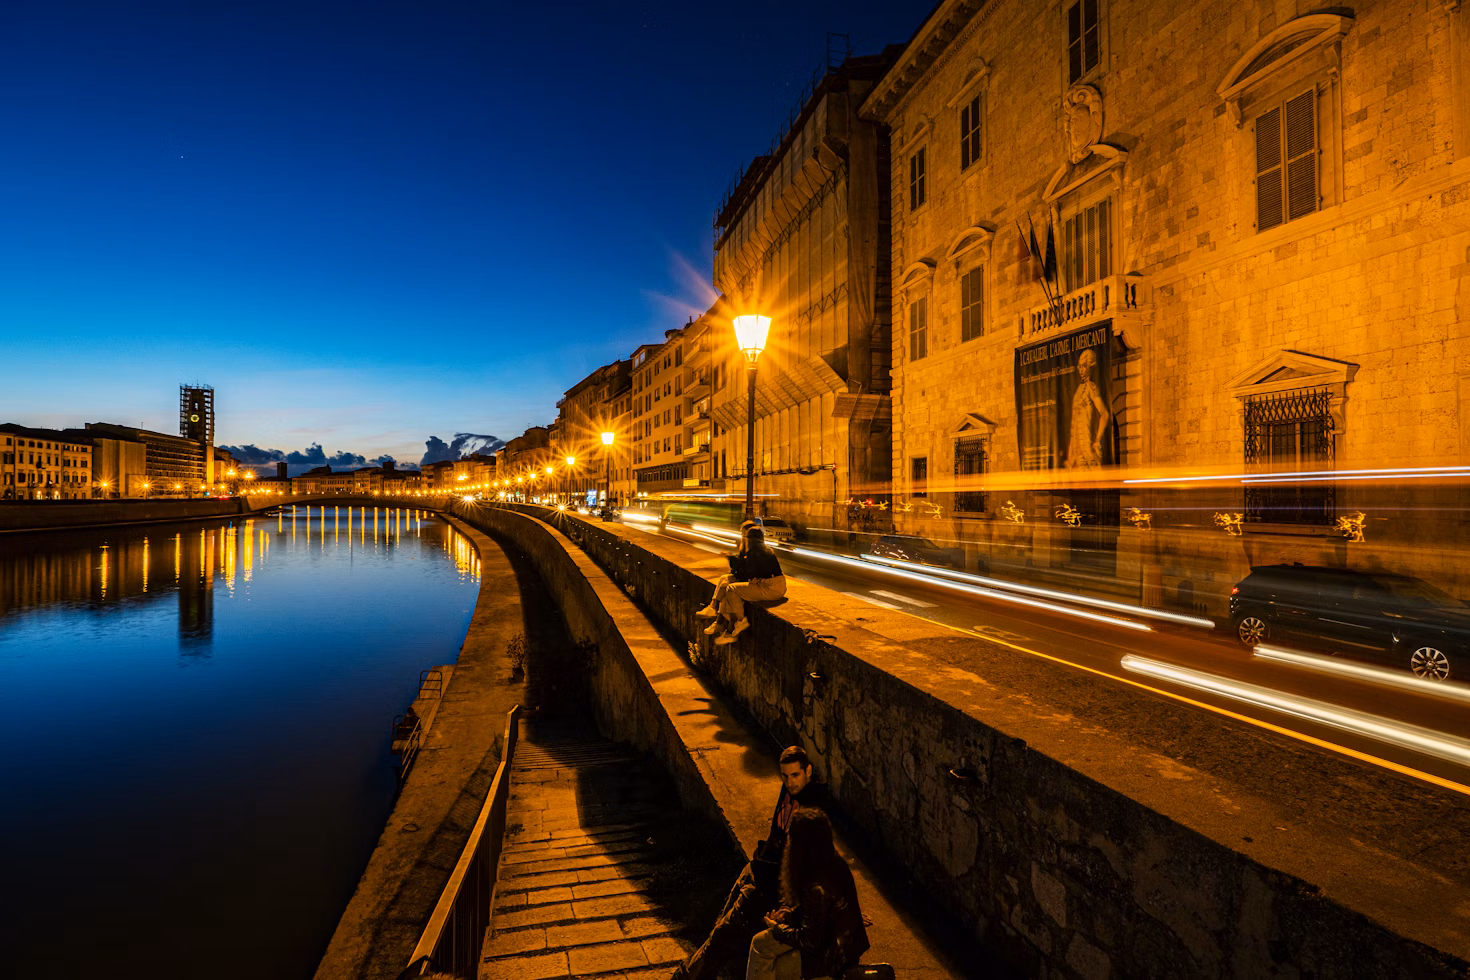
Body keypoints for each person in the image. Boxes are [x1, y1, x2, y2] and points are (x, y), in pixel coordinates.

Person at [670, 746, 830, 980]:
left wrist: (787, 907)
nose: (790, 782)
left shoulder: (811, 813)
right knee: (719, 929)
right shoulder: (790, 793)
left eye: (795, 775)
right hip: (758, 870)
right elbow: (777, 837)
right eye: (785, 776)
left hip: (765, 890)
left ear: (808, 771)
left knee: (722, 937)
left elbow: (806, 867)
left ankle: (683, 977)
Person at [745, 808, 868, 980]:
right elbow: (818, 917)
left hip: (831, 959)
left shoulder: (816, 887)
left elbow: (810, 939)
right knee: (760, 943)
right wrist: (791, 916)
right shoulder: (834, 863)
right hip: (839, 948)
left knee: (767, 957)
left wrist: (777, 928)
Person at [695, 524, 786, 643]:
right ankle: (722, 623)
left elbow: (747, 574)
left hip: (770, 588)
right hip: (775, 585)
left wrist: (731, 560)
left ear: (749, 540)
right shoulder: (764, 550)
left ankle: (739, 621)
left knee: (732, 589)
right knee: (728, 583)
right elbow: (750, 573)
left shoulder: (754, 553)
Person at [1065, 347, 1110, 469]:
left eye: (1084, 366)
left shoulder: (1092, 388)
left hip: (1087, 442)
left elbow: (1105, 414)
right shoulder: (1079, 389)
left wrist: (1097, 439)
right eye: (1079, 366)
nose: (1081, 370)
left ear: (1090, 367)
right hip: (1076, 445)